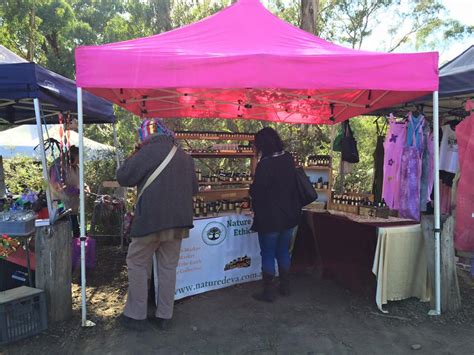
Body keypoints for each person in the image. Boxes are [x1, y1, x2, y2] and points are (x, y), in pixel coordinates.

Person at [117, 118, 198, 330]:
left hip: (149, 222)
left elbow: (123, 177)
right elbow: (194, 189)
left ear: (145, 136)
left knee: (137, 264)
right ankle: (165, 315)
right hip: (178, 223)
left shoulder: (145, 153)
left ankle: (136, 316)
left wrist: (134, 154)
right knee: (168, 267)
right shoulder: (185, 157)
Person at [249, 127, 300, 302]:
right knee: (283, 251)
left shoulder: (265, 164)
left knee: (268, 253)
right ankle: (285, 286)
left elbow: (257, 192)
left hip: (270, 218)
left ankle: (268, 292)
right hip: (288, 215)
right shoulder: (288, 159)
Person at [49, 145, 81, 237]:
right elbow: (57, 186)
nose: (79, 161)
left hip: (73, 207)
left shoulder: (76, 167)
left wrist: (84, 187)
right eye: (78, 159)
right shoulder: (57, 166)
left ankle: (76, 249)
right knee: (66, 235)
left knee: (76, 232)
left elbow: (78, 181)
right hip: (62, 208)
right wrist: (77, 190)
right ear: (71, 157)